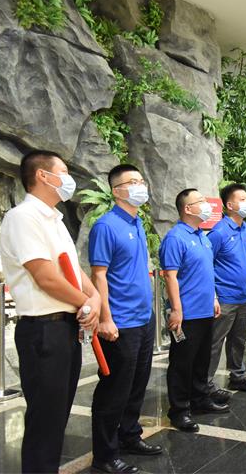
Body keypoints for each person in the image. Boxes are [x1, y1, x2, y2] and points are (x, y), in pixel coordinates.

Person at [0, 151, 101, 473]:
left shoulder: (54, 219)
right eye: (64, 172)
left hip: (65, 327)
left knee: (57, 416)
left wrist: (95, 296)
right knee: (45, 421)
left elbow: (72, 269)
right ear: (43, 175)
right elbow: (45, 277)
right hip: (44, 330)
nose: (69, 179)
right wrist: (86, 302)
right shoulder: (23, 217)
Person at [89, 165, 161, 474]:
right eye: (133, 182)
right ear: (117, 190)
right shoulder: (106, 226)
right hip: (120, 321)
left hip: (143, 318)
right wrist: (105, 318)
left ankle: (129, 435)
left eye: (141, 180)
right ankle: (105, 456)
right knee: (114, 389)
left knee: (137, 384)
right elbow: (99, 275)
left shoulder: (137, 223)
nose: (140, 186)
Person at [160, 189, 226, 434]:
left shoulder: (202, 236)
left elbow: (207, 271)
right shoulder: (175, 237)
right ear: (187, 209)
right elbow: (170, 276)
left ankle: (200, 399)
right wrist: (176, 310)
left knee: (201, 360)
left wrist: (214, 298)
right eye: (201, 201)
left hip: (205, 310)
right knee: (182, 364)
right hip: (186, 313)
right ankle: (179, 411)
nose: (207, 204)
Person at [207, 184, 246, 393]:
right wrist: (213, 296)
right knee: (215, 342)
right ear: (230, 205)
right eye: (242, 199)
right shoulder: (218, 232)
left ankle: (237, 375)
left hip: (244, 295)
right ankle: (206, 383)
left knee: (239, 339)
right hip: (225, 296)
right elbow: (207, 264)